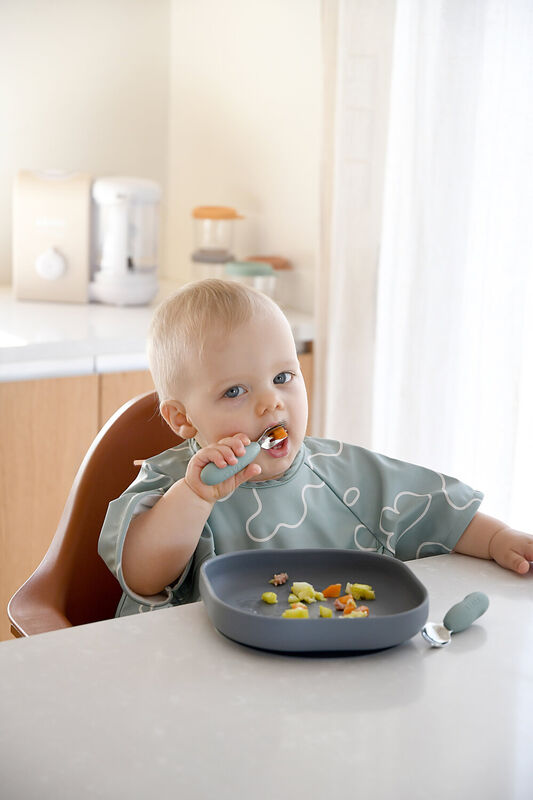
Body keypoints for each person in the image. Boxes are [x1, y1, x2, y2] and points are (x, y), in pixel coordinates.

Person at [98, 279, 533, 616]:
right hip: (202, 679)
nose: (271, 401)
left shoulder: (344, 473)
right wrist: (193, 498)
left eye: (284, 378)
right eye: (235, 391)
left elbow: (439, 512)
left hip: (328, 663)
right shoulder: (172, 483)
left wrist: (498, 539)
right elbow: (143, 576)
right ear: (182, 418)